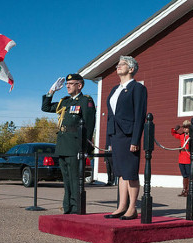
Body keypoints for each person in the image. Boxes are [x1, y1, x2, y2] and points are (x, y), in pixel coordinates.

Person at [42, 73, 96, 214]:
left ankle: (76, 208)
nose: (67, 86)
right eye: (66, 84)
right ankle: (67, 207)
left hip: (75, 145)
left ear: (80, 85)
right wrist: (51, 91)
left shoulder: (85, 101)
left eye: (70, 84)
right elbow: (46, 107)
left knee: (74, 178)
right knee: (66, 179)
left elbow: (89, 125)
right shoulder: (65, 102)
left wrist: (86, 147)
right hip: (63, 144)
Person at [104, 56, 147, 220]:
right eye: (117, 65)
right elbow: (110, 116)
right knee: (121, 173)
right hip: (116, 135)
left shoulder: (137, 88)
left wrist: (136, 140)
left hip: (129, 136)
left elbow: (139, 116)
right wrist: (109, 140)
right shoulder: (115, 89)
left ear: (131, 69)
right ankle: (121, 207)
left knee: (130, 173)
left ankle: (132, 208)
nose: (118, 67)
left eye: (122, 64)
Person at [171, 120, 192, 197]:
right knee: (184, 175)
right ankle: (184, 189)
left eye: (186, 127)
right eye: (184, 128)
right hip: (181, 158)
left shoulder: (192, 137)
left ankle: (189, 190)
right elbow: (173, 134)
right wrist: (175, 129)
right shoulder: (182, 135)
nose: (185, 129)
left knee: (189, 175)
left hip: (188, 157)